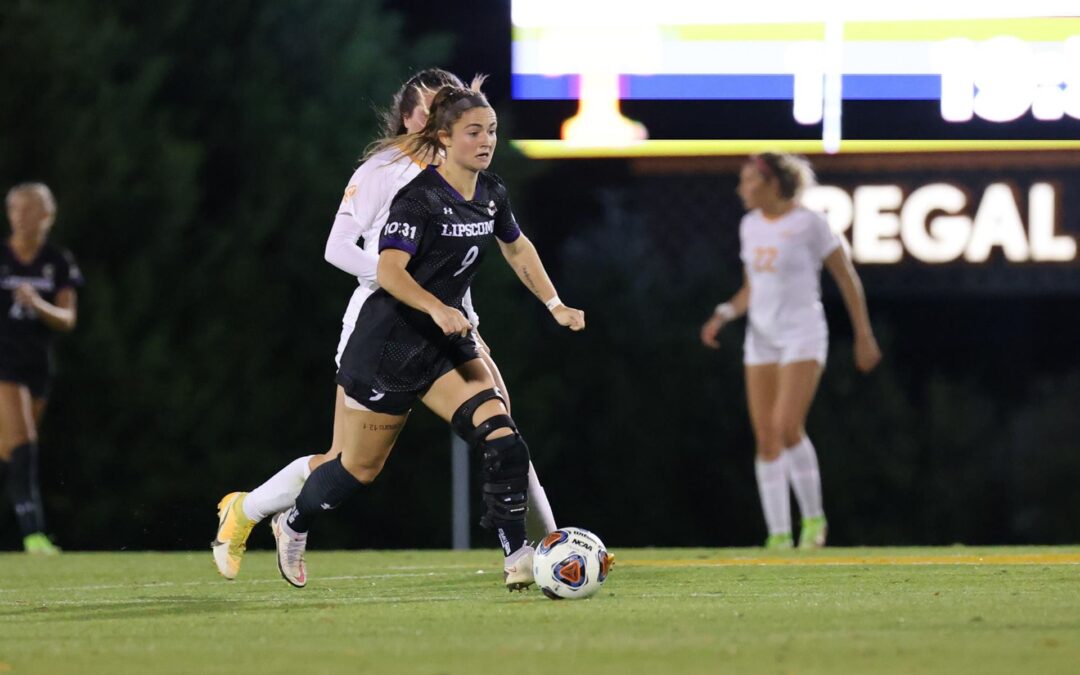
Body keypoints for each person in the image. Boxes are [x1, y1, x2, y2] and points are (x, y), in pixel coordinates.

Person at [212, 69, 560, 581]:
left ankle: (545, 549)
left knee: (501, 430)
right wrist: (400, 284)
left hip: (451, 328)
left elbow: (502, 244)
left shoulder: (473, 173)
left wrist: (459, 309)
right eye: (430, 108)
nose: (441, 115)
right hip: (382, 327)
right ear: (414, 118)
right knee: (348, 462)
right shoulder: (386, 169)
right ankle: (248, 511)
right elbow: (337, 248)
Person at [700, 153, 880, 550]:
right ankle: (779, 535)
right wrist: (724, 314)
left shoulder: (809, 223)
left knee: (786, 426)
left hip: (802, 334)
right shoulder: (749, 226)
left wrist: (863, 334)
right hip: (762, 337)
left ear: (773, 184)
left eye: (749, 180)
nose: (741, 188)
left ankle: (814, 522)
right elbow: (752, 288)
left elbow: (846, 277)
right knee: (765, 437)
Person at [1, 183, 82, 554]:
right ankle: (33, 534)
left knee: (8, 451)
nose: (21, 217)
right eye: (15, 210)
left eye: (30, 210)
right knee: (25, 444)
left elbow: (67, 318)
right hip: (5, 362)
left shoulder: (57, 260)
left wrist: (37, 304)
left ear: (47, 216)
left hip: (38, 366)